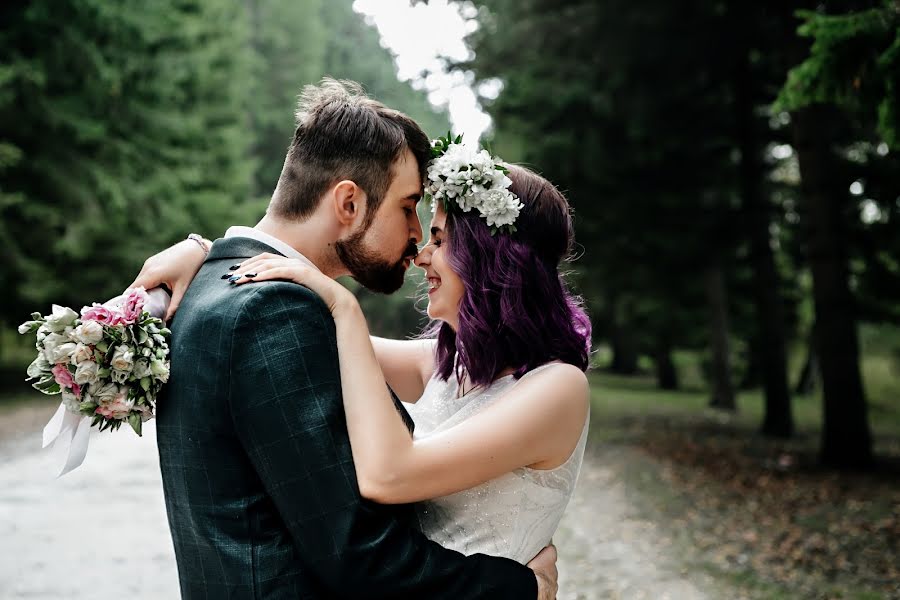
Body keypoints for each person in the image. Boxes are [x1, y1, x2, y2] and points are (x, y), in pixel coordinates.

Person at [130, 79, 557, 599]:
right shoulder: (277, 313)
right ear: (349, 203)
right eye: (408, 207)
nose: (418, 237)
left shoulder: (203, 291)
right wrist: (517, 588)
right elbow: (359, 554)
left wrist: (206, 246)